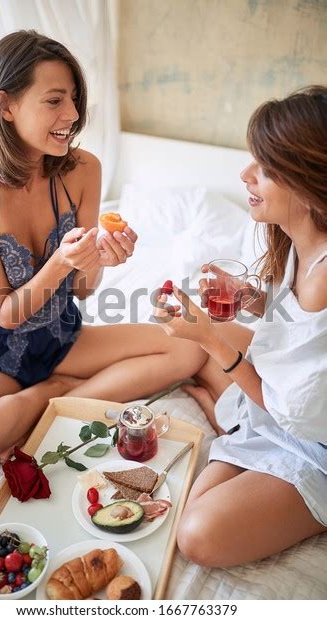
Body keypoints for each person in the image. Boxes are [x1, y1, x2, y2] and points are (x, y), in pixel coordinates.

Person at [0, 30, 202, 471]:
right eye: (55, 100)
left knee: (187, 348)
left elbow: (84, 289)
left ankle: (55, 396)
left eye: (74, 98)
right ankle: (54, 393)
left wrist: (101, 261)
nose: (73, 114)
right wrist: (61, 262)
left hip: (61, 339)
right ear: (6, 105)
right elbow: (5, 313)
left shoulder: (83, 169)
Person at [154, 86, 327, 567]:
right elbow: (303, 331)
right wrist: (250, 296)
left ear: (309, 181)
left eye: (266, 169)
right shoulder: (299, 243)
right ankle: (216, 406)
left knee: (198, 537)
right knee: (187, 508)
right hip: (283, 414)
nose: (245, 175)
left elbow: (294, 407)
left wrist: (207, 336)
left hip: (313, 434)